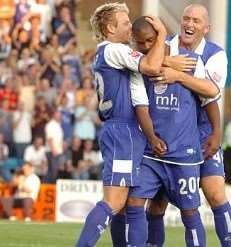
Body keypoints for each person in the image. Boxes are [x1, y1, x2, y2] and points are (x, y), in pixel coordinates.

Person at [143, 4, 231, 247]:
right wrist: (167, 60)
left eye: (196, 21)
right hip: (170, 134)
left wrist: (178, 73)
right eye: (186, 18)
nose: (189, 24)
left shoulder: (215, 54)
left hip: (203, 133)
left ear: (206, 28)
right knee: (157, 203)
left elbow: (211, 91)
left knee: (216, 194)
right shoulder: (165, 47)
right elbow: (147, 62)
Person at [120, 15, 219, 246]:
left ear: (159, 36)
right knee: (136, 203)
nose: (145, 47)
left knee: (189, 211)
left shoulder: (189, 61)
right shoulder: (137, 62)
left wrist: (217, 132)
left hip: (183, 155)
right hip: (149, 152)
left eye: (150, 41)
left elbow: (211, 95)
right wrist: (165, 61)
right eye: (140, 42)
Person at [75, 3, 167, 246]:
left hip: (128, 132)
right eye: (125, 23)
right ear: (110, 28)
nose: (130, 26)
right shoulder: (113, 50)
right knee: (115, 202)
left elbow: (142, 92)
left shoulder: (117, 55)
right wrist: (163, 35)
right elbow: (151, 65)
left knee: (130, 204)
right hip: (121, 131)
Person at [45, 111, 64, 183]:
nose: (59, 117)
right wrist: (53, 150)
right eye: (58, 115)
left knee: (52, 171)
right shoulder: (50, 125)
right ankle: (47, 185)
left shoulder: (58, 125)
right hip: (52, 151)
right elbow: (50, 139)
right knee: (52, 172)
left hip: (57, 151)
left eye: (60, 115)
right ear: (54, 115)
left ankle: (48, 186)